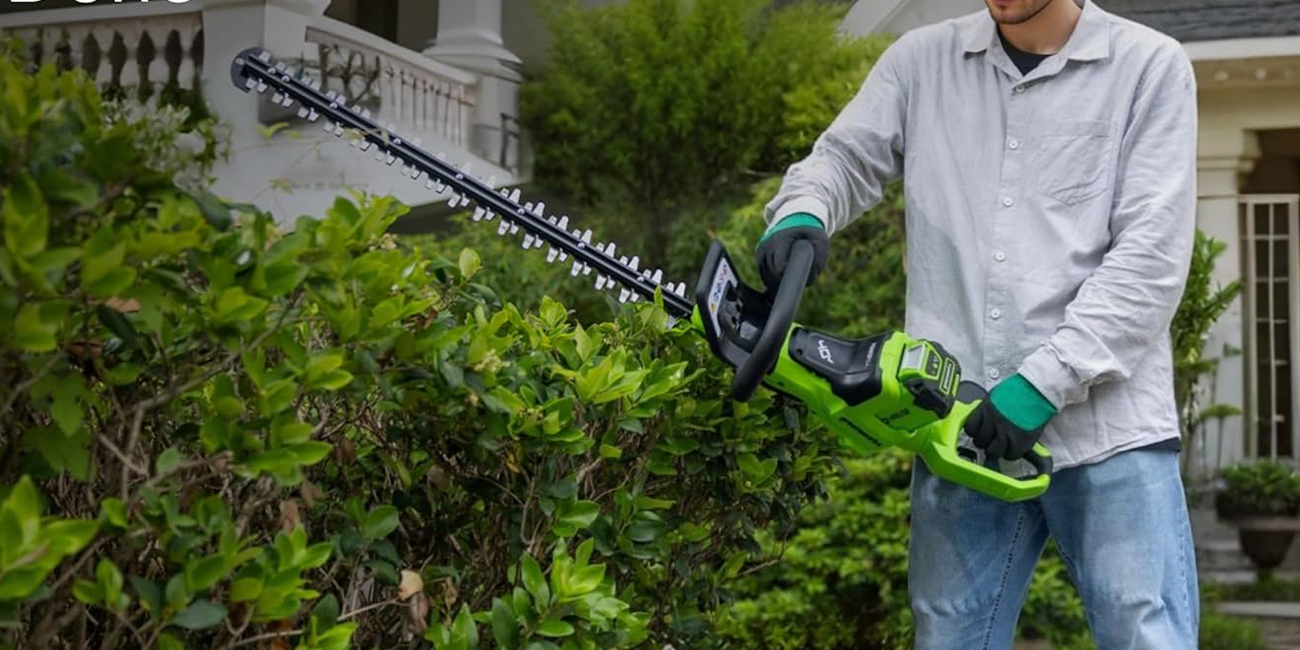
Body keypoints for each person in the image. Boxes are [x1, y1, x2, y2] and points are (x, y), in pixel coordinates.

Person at [756, 0, 1199, 647]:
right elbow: (845, 158)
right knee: (949, 638)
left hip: (1112, 432)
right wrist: (803, 210)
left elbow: (1150, 260)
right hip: (959, 428)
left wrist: (1042, 382)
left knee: (1145, 636)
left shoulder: (1148, 66)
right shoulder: (920, 61)